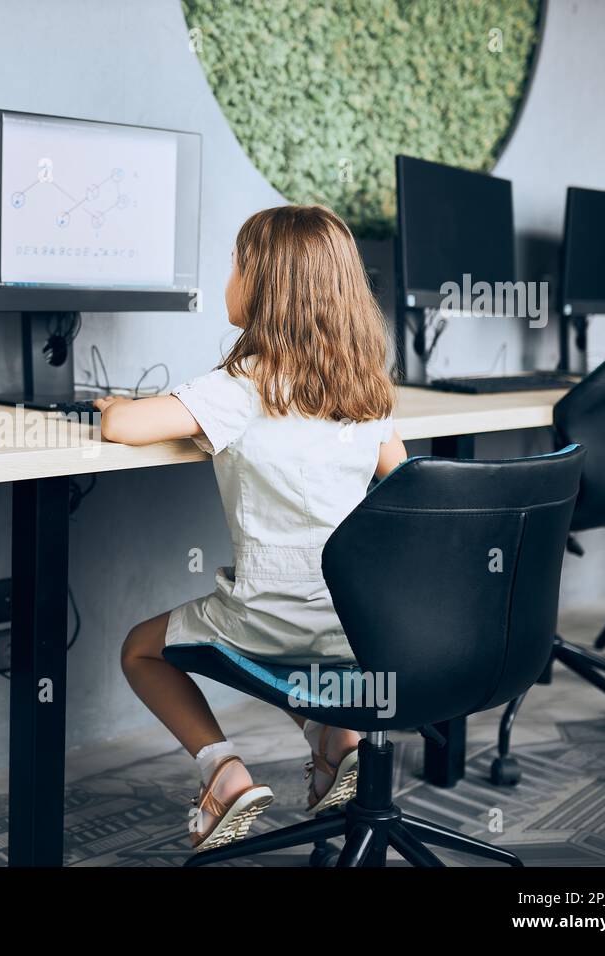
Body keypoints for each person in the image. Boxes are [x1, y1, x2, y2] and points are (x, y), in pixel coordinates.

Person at [96, 205, 407, 852]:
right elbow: (405, 488)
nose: (229, 275)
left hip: (268, 615)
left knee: (139, 649)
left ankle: (224, 773)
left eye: (237, 264)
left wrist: (115, 402)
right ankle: (333, 740)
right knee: (299, 648)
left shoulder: (244, 384)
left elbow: (121, 429)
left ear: (267, 287)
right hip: (356, 622)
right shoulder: (367, 392)